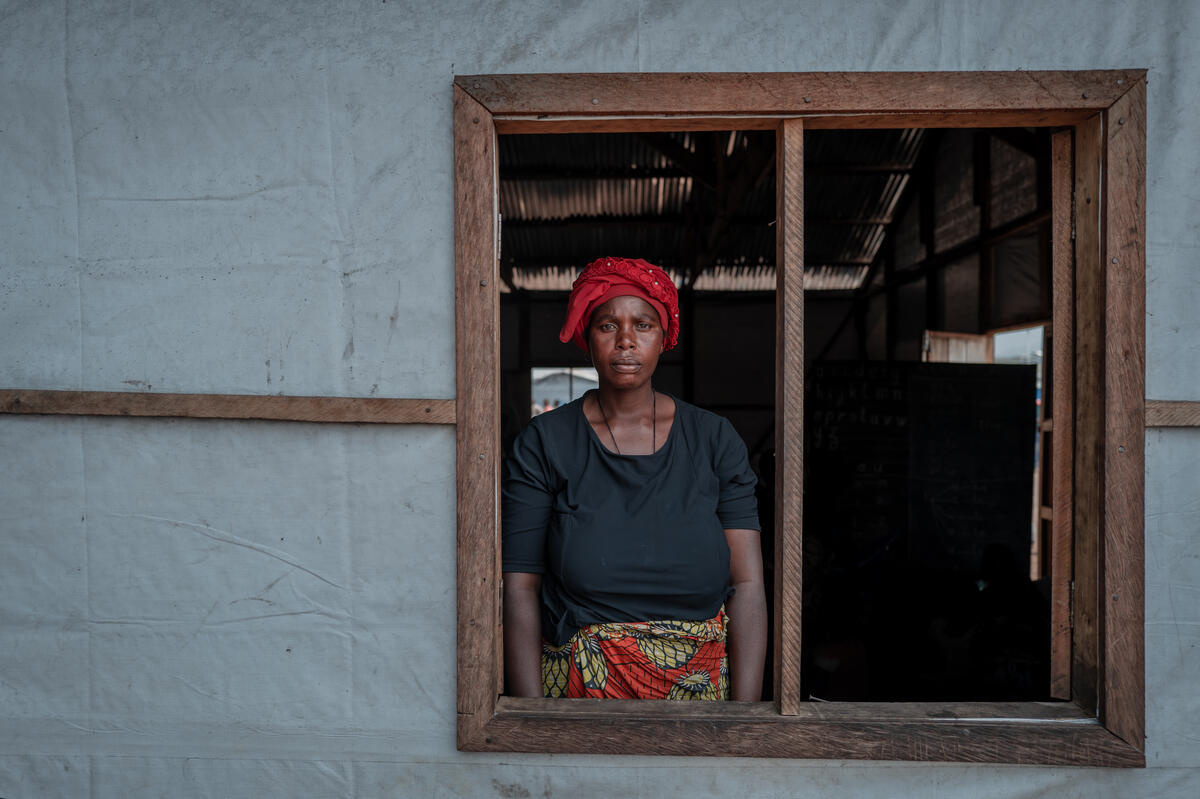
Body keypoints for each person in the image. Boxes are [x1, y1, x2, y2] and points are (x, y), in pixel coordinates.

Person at [502, 256, 767, 701]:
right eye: (608, 326)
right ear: (587, 338)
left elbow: (748, 585)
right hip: (580, 697)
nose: (626, 341)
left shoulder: (713, 439)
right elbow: (520, 587)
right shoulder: (546, 442)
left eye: (643, 325)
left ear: (664, 337)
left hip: (700, 698)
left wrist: (744, 719)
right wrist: (530, 717)